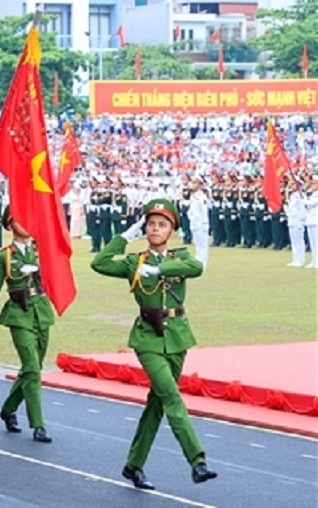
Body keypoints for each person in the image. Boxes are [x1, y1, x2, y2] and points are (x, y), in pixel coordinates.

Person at [91, 198, 217, 490]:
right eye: (150, 224)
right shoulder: (136, 262)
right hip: (148, 336)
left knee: (157, 404)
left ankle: (133, 465)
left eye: (162, 224)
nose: (155, 229)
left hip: (177, 336)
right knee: (171, 395)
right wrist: (124, 236)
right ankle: (197, 461)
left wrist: (160, 270)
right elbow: (99, 263)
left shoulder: (180, 257)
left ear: (171, 230)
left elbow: (196, 267)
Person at [0, 206, 55, 443]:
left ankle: (8, 408)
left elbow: (56, 276)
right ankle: (38, 425)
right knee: (32, 369)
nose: (25, 223)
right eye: (18, 219)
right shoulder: (4, 256)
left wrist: (41, 267)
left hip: (41, 312)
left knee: (31, 368)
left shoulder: (40, 250)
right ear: (9, 224)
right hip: (19, 313)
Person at [187, 178, 211, 267]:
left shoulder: (202, 197)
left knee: (203, 246)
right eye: (192, 183)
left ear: (200, 185)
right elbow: (191, 210)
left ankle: (202, 264)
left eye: (195, 183)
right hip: (194, 223)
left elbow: (204, 211)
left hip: (201, 224)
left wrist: (205, 224)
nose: (193, 185)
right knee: (197, 245)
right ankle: (197, 262)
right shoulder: (193, 196)